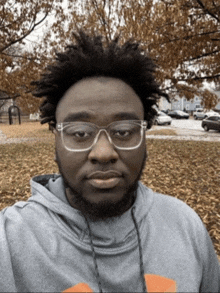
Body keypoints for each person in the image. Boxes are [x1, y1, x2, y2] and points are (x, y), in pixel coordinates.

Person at [0, 31, 219, 293]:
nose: (103, 153)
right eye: (80, 133)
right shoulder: (10, 243)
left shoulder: (185, 227)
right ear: (56, 138)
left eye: (124, 131)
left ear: (144, 134)